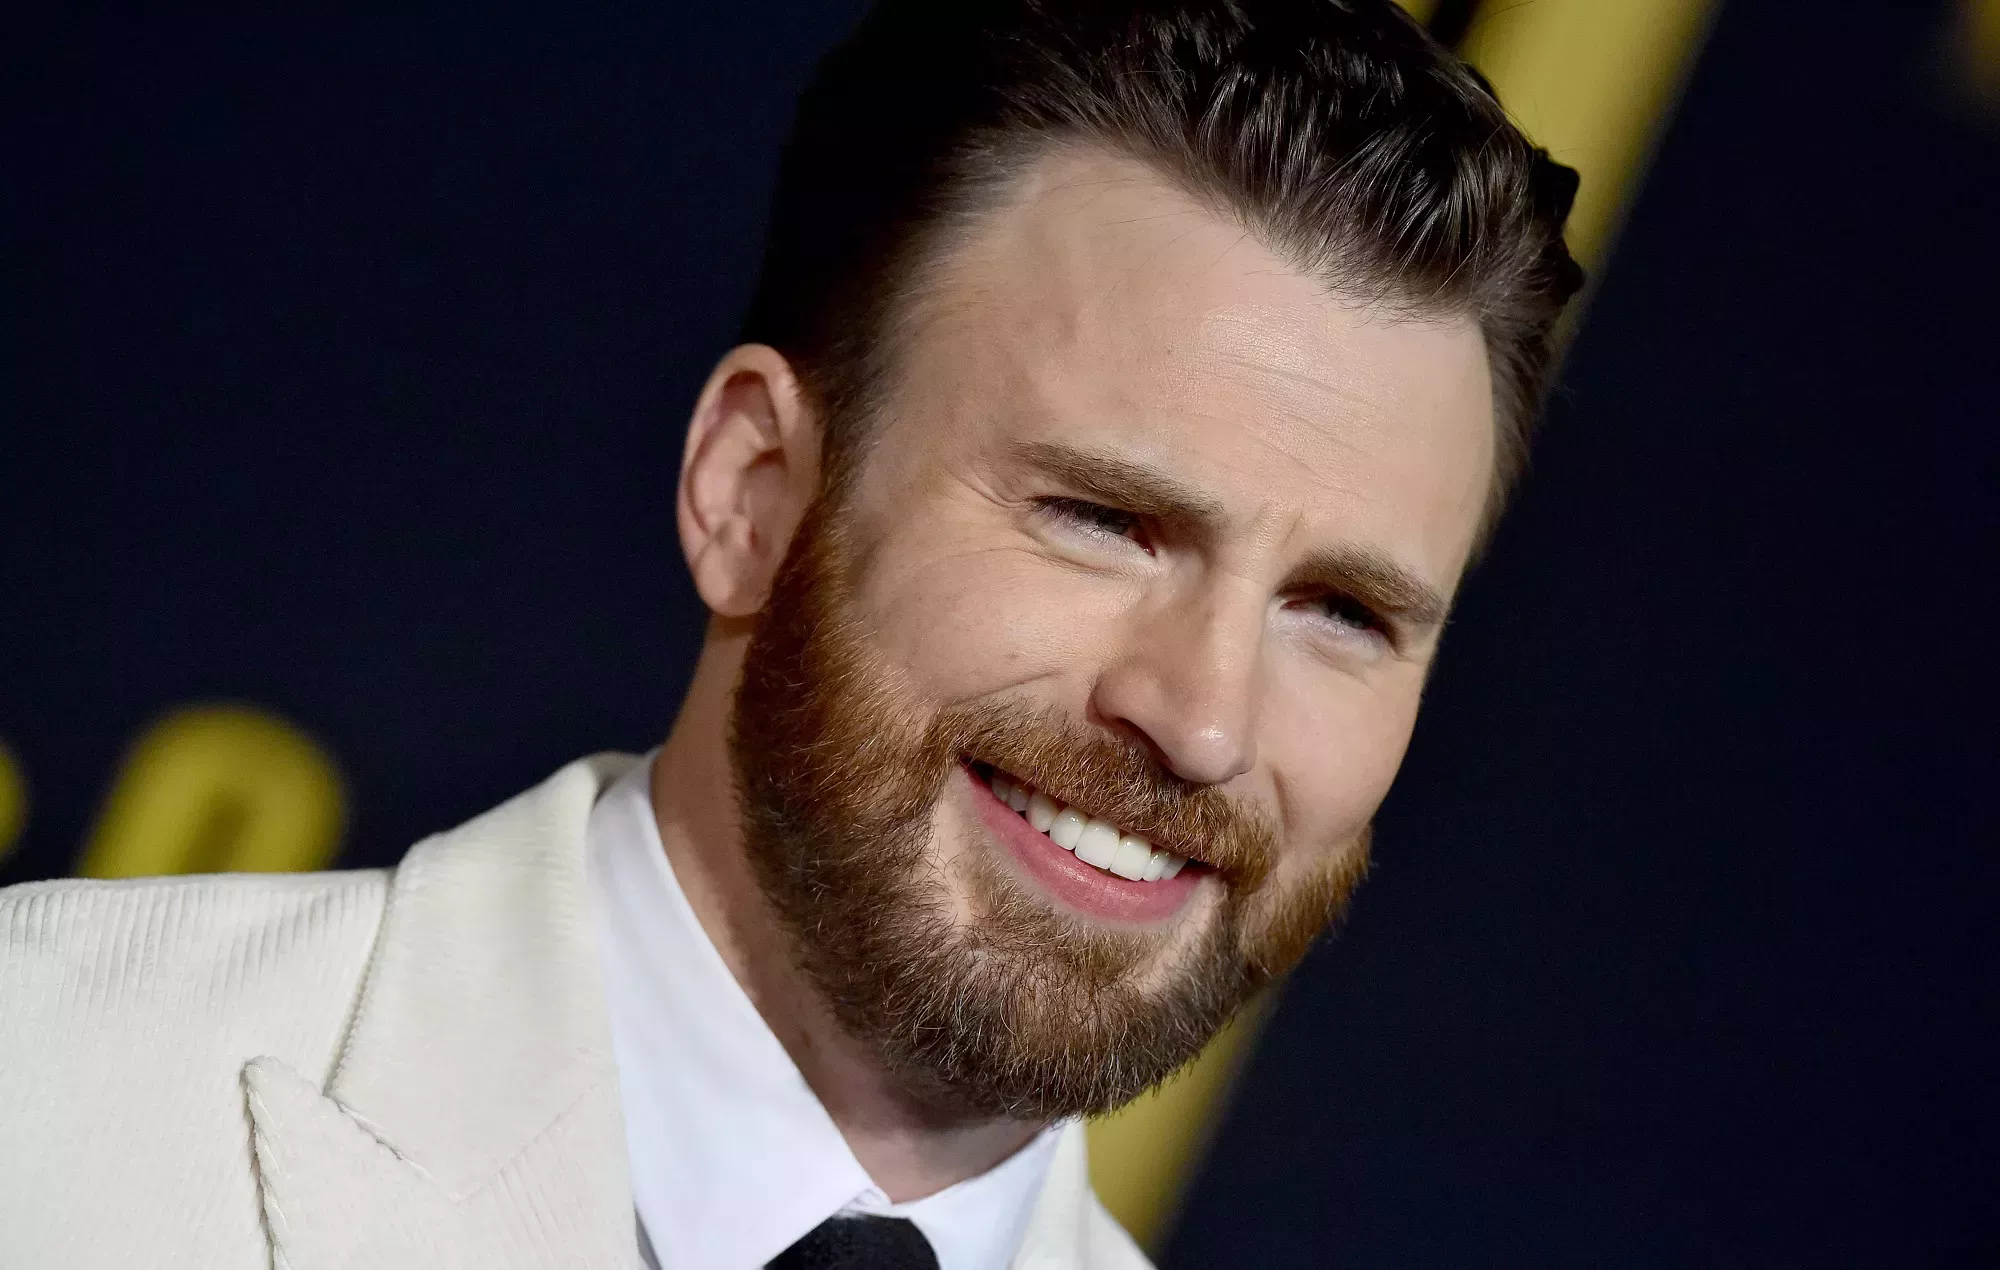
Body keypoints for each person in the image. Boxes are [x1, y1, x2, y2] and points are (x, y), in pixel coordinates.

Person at [0, 1, 1581, 1266]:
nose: (1207, 717)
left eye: (1343, 611)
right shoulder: (48, 1096)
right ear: (753, 489)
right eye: (1104, 518)